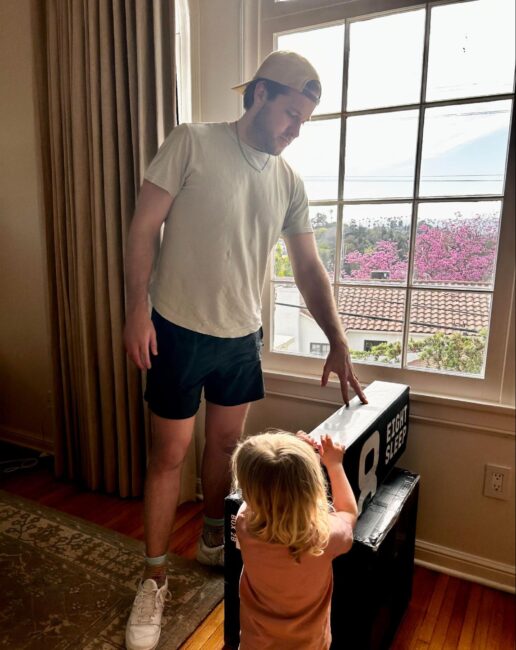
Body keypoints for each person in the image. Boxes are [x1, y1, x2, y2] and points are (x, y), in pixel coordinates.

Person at [123, 50, 367, 650]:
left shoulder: (288, 182)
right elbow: (141, 226)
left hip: (240, 336)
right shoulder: (192, 142)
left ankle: (211, 534)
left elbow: (309, 268)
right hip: (175, 327)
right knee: (169, 453)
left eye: (305, 121)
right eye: (290, 113)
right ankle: (153, 579)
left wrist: (337, 339)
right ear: (258, 94)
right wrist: (134, 311)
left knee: (226, 446)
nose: (295, 129)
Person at [232, 430, 358, 649]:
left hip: (256, 642)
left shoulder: (244, 523)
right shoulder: (325, 535)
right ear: (311, 487)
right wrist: (334, 465)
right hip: (309, 643)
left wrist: (293, 452)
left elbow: (268, 482)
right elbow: (348, 513)